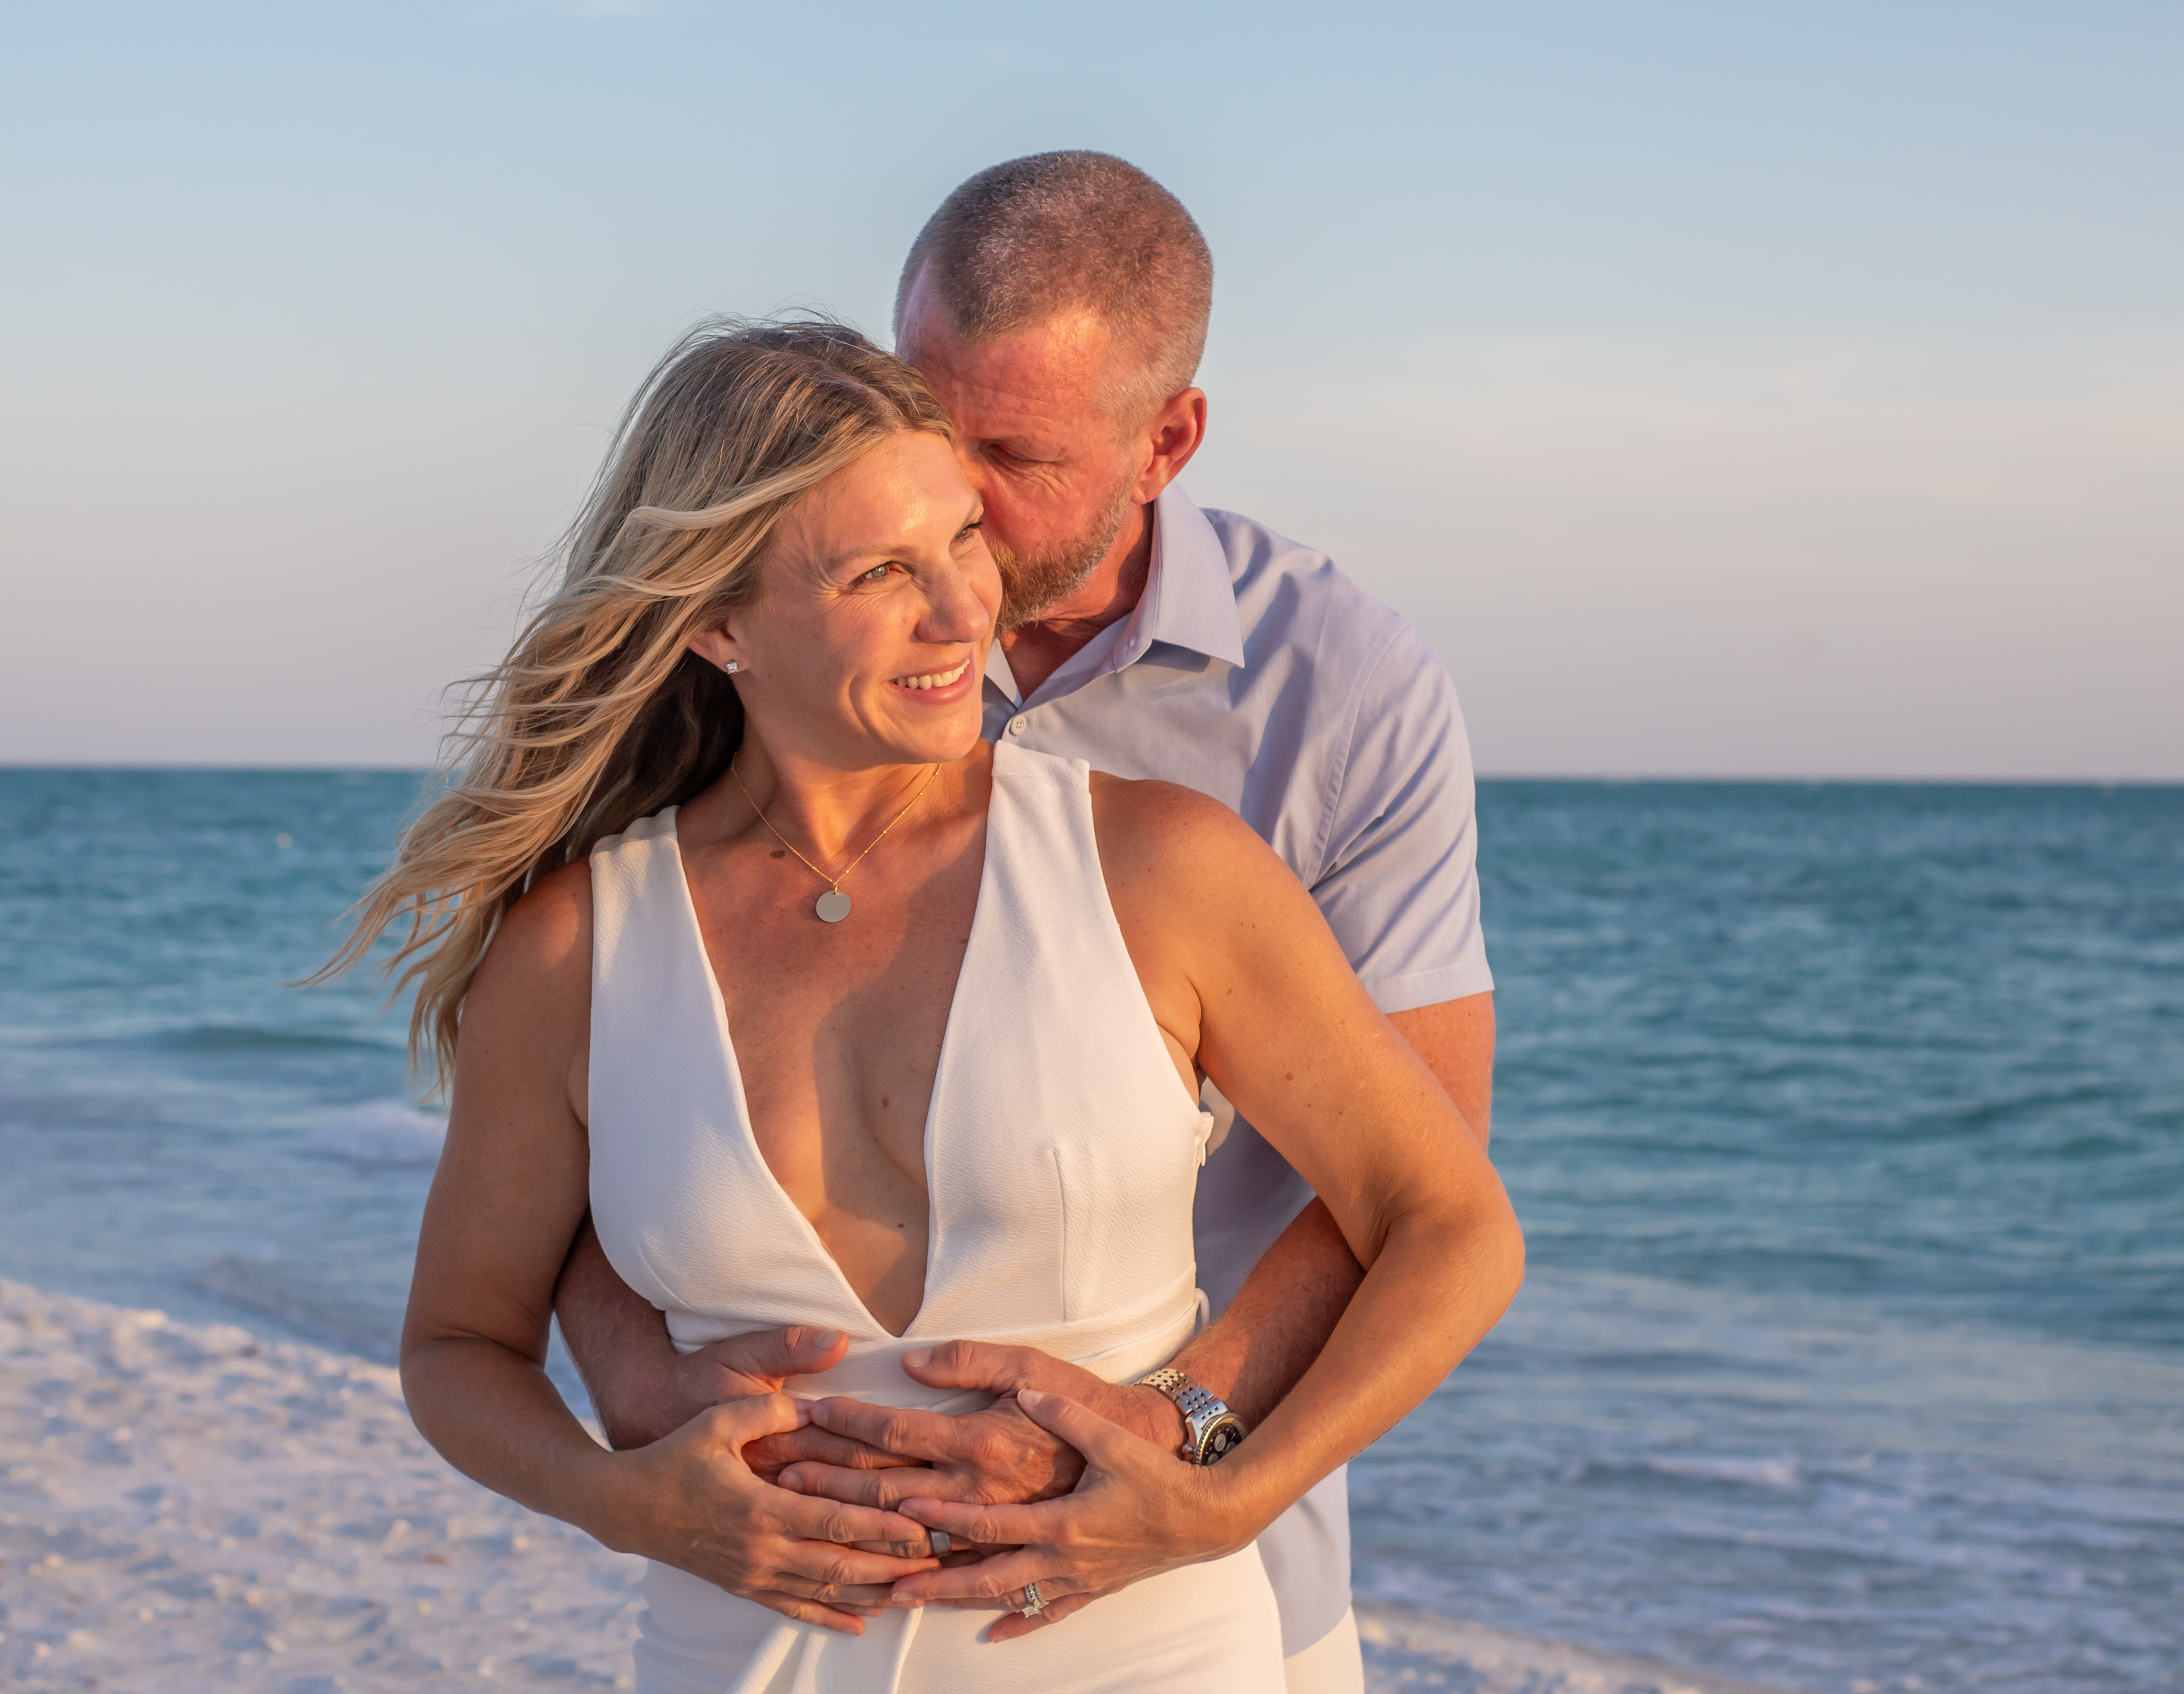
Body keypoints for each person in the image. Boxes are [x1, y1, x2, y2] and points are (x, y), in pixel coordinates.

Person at [345, 319, 1521, 1692]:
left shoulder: (1164, 868)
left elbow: (1454, 1227)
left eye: (964, 538)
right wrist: (622, 1501)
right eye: (882, 571)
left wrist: (1219, 1488)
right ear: (717, 622)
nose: (968, 611)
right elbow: (456, 1346)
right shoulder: (573, 950)